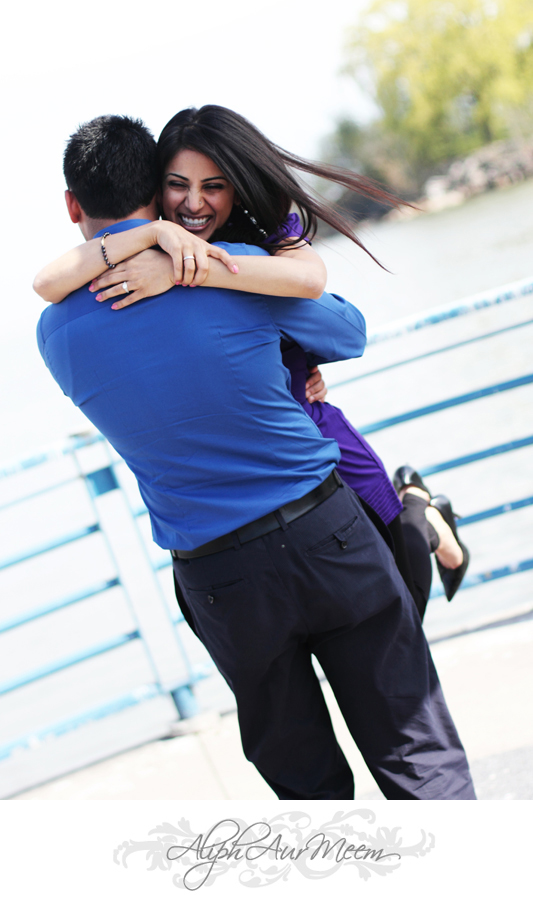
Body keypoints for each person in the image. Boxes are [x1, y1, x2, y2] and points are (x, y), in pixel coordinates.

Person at [36, 113, 475, 800]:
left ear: (71, 206)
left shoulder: (53, 334)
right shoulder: (228, 277)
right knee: (414, 748)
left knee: (306, 792)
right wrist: (218, 276)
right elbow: (346, 330)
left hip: (219, 576)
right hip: (324, 533)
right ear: (157, 191)